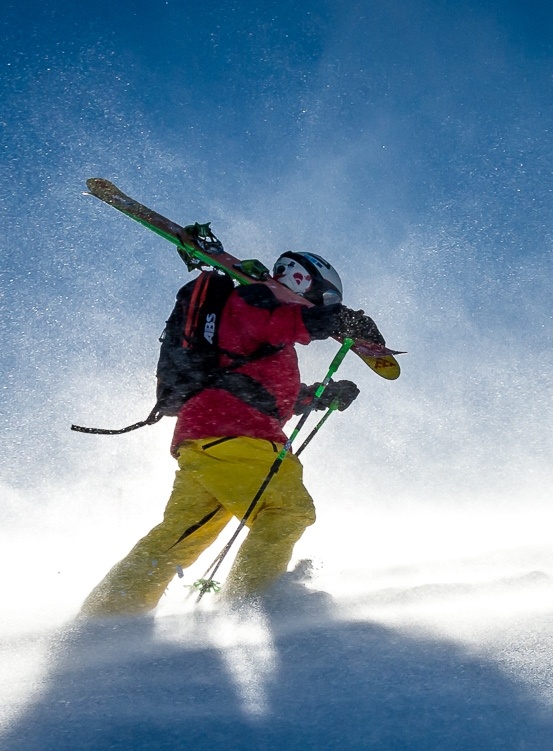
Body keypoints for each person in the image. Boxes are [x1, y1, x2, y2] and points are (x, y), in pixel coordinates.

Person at [80, 249, 390, 616]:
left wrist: (317, 397)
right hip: (236, 437)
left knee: (182, 534)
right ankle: (250, 608)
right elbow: (280, 326)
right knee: (288, 510)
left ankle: (106, 616)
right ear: (303, 281)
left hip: (210, 436)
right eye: (325, 298)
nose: (322, 306)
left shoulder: (262, 324)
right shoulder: (255, 300)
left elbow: (260, 391)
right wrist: (337, 319)